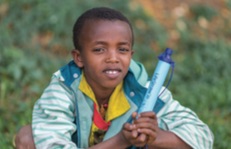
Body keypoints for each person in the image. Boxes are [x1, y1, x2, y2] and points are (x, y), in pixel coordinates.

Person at [15, 7, 214, 149]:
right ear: (79, 57)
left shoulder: (146, 91)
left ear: (131, 55)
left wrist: (153, 138)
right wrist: (121, 141)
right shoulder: (63, 88)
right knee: (27, 137)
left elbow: (203, 137)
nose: (113, 58)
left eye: (122, 49)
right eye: (99, 49)